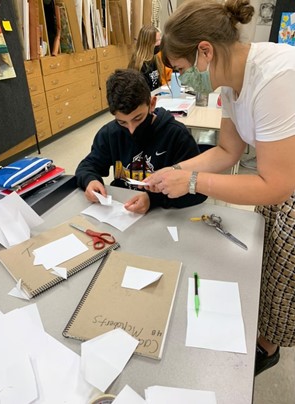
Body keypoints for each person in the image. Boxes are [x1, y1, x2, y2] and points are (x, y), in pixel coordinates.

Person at [145, 0, 295, 376]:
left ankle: (268, 347)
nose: (182, 79)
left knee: (285, 279)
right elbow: (228, 151)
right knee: (268, 265)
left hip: (285, 182)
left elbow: (276, 185)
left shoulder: (277, 79)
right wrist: (171, 171)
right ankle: (265, 335)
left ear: (205, 51)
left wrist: (192, 181)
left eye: (181, 70)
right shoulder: (228, 80)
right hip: (279, 178)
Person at [75, 68, 207, 214]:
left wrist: (152, 199)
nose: (131, 130)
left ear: (152, 104)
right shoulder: (109, 134)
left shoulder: (176, 135)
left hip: (163, 216)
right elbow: (86, 167)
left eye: (137, 118)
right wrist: (90, 181)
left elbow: (198, 193)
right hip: (122, 211)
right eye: (122, 122)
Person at [128, 25, 171, 91]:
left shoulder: (155, 59)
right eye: (156, 41)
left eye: (159, 40)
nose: (159, 43)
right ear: (147, 43)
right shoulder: (139, 65)